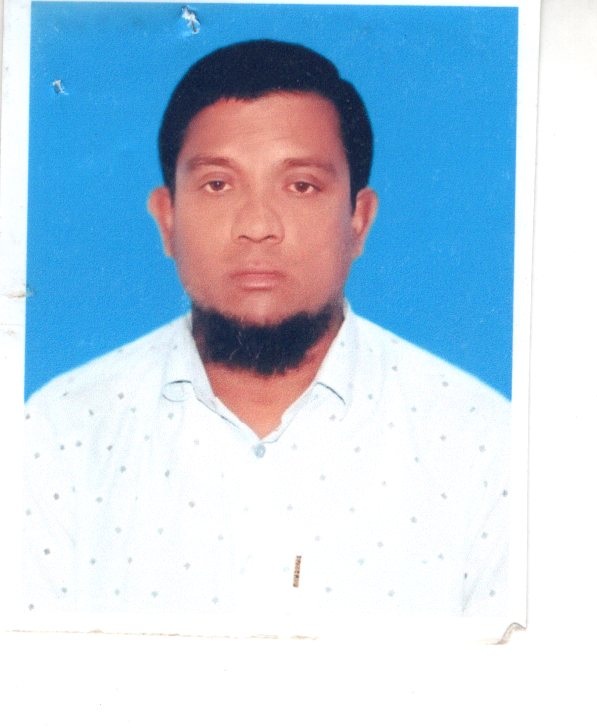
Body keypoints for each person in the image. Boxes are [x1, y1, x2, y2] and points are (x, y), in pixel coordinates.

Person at [23, 39, 511, 620]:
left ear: (359, 220)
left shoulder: (486, 444)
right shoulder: (59, 433)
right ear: (167, 219)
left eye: (301, 185)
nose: (257, 226)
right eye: (218, 185)